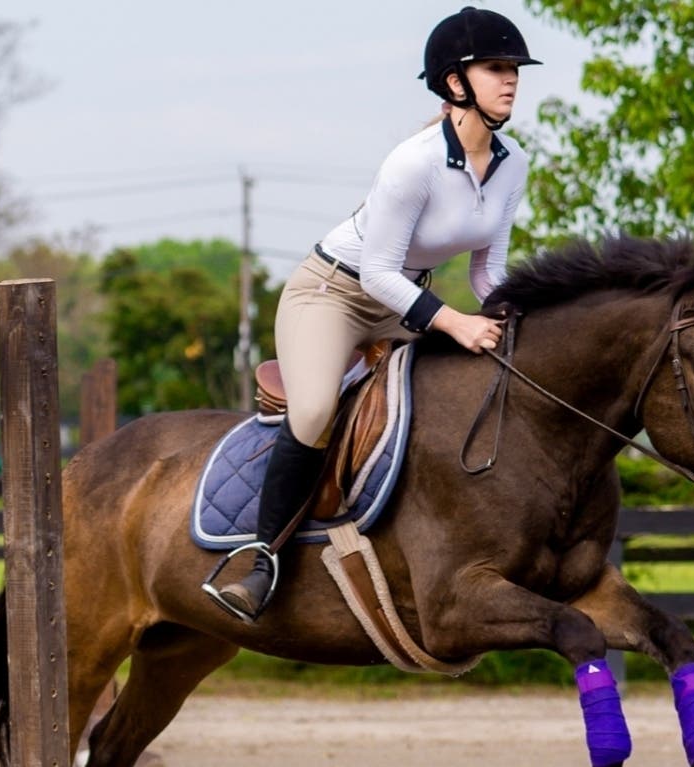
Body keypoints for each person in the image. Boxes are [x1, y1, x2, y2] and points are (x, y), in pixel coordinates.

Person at [210, 6, 541, 621]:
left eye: (515, 69)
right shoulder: (411, 163)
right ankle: (262, 561)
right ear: (454, 82)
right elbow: (376, 273)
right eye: (497, 68)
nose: (512, 79)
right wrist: (457, 322)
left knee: (460, 386)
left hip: (405, 300)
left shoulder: (512, 163)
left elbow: (485, 272)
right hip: (332, 295)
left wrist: (515, 316)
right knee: (313, 409)